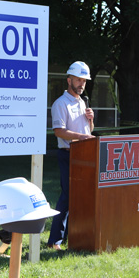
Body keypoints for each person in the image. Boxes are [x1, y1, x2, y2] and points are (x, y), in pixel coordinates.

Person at [47, 61, 95, 250]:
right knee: (67, 197)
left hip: (84, 156)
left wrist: (91, 121)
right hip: (68, 155)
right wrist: (83, 137)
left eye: (84, 81)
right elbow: (59, 131)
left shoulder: (83, 102)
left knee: (80, 197)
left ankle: (71, 236)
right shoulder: (60, 103)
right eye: (78, 80)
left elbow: (89, 130)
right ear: (69, 80)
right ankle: (54, 241)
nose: (81, 84)